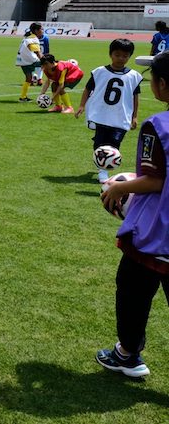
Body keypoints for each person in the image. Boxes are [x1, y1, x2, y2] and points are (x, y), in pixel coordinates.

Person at [96, 51, 169, 379]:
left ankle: (127, 354)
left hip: (157, 234)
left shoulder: (158, 126)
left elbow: (155, 180)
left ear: (162, 85)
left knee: (132, 290)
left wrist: (119, 188)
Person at [75, 39, 143, 183]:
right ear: (110, 54)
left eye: (125, 56)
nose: (121, 59)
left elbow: (135, 96)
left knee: (114, 143)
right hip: (102, 114)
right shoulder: (99, 72)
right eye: (117, 55)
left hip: (120, 116)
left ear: (129, 56)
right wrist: (81, 106)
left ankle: (104, 168)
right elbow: (88, 89)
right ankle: (102, 169)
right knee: (99, 142)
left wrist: (135, 116)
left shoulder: (133, 76)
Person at [15, 23, 43, 102]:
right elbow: (38, 53)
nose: (42, 31)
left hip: (22, 60)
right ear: (36, 30)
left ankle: (23, 97)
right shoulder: (33, 39)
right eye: (41, 29)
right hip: (30, 60)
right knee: (51, 66)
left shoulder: (27, 37)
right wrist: (45, 61)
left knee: (28, 79)